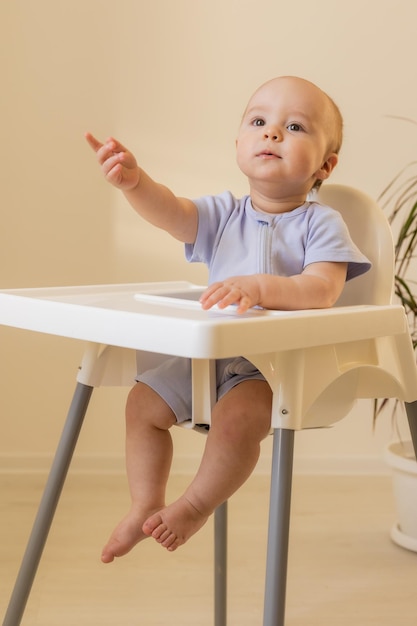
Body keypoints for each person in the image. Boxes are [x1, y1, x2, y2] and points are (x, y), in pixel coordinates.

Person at [85, 75, 370, 561]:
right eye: (259, 122)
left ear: (326, 164)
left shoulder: (321, 223)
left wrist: (259, 287)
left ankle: (195, 505)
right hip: (211, 355)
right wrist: (136, 183)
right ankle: (144, 503)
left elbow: (323, 290)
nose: (273, 133)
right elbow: (171, 211)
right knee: (141, 404)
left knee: (236, 422)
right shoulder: (222, 215)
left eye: (295, 126)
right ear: (239, 143)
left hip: (274, 367)